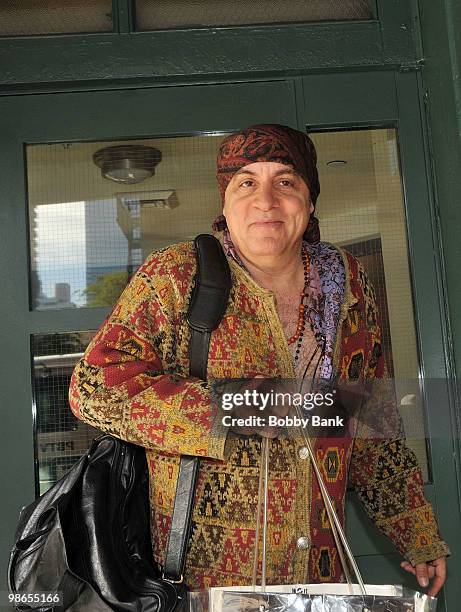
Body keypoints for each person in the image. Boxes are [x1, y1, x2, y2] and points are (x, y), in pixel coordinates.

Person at [69, 124, 449, 595]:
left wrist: (416, 535)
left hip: (320, 578)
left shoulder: (348, 287)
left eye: (286, 181)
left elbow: (367, 419)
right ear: (225, 204)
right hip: (205, 583)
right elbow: (94, 389)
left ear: (309, 203)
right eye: (245, 182)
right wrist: (238, 405)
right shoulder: (175, 276)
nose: (266, 200)